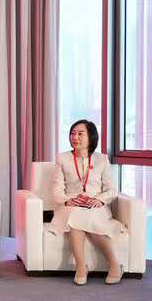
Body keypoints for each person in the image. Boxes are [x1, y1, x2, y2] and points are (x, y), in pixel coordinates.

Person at [52, 119, 127, 285]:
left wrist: (99, 200)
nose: (75, 137)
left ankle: (110, 264)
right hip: (71, 205)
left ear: (91, 137)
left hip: (95, 205)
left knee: (83, 217)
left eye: (80, 134)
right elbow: (57, 192)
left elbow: (112, 190)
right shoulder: (62, 158)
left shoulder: (102, 159)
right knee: (76, 214)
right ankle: (82, 266)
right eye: (72, 133)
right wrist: (69, 200)